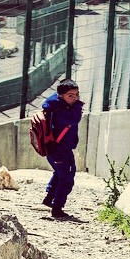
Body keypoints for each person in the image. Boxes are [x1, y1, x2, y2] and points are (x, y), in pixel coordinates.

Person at [41, 78, 84, 219]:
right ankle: (57, 208)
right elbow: (75, 118)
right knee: (66, 179)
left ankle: (49, 198)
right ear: (60, 95)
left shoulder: (55, 104)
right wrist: (78, 104)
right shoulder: (61, 111)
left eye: (76, 95)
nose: (75, 98)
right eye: (70, 96)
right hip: (59, 150)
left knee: (60, 173)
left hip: (58, 149)